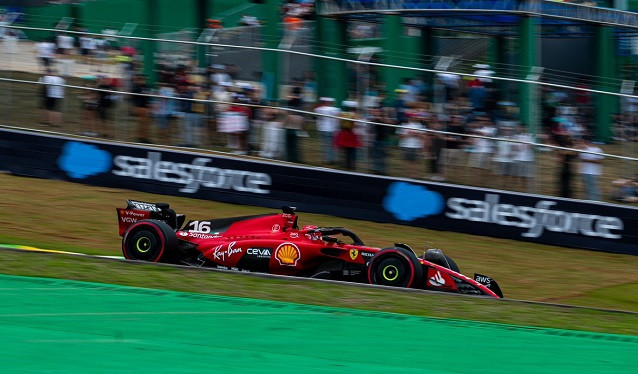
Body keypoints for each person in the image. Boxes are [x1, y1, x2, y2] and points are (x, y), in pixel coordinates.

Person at [397, 111, 426, 178]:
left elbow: (424, 136)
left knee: (415, 162)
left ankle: (414, 176)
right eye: (410, 116)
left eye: (413, 116)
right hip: (405, 145)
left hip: (416, 146)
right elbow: (399, 137)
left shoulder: (420, 126)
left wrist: (417, 134)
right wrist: (407, 135)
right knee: (406, 162)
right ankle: (407, 175)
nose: (411, 117)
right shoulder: (403, 125)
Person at [314, 97, 341, 165]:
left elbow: (315, 110)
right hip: (331, 129)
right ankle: (330, 159)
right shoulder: (335, 109)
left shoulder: (319, 109)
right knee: (331, 146)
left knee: (324, 145)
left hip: (321, 129)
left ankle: (324, 159)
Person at [577, 137, 604, 201]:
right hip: (584, 172)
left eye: (581, 143)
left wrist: (588, 160)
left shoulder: (597, 150)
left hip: (593, 173)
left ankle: (596, 201)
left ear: (586, 143)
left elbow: (600, 161)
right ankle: (588, 200)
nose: (580, 144)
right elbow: (581, 159)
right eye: (579, 143)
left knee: (593, 188)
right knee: (587, 188)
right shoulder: (581, 151)